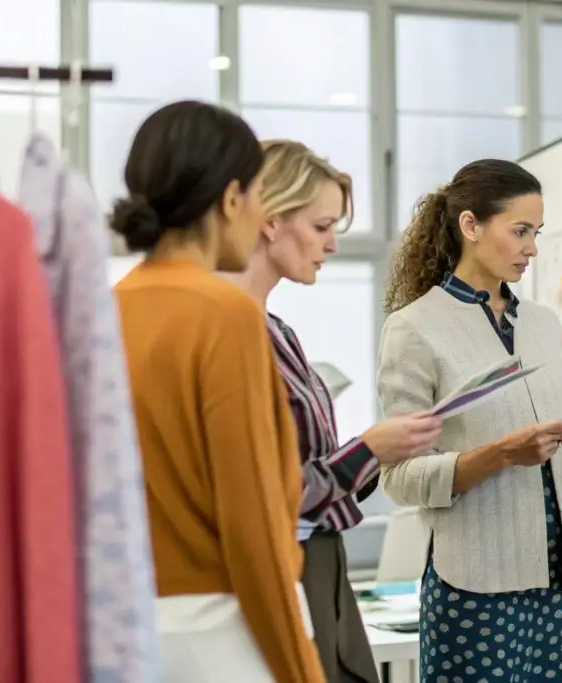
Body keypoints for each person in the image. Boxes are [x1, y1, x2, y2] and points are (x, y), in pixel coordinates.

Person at [377, 158, 562, 682]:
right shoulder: (414, 329)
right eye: (520, 231)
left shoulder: (540, 324)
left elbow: (545, 453)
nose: (532, 248)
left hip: (556, 579)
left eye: (536, 232)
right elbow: (399, 478)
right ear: (470, 226)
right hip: (475, 584)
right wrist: (498, 454)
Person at [110, 102, 325, 683]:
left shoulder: (101, 312)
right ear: (231, 198)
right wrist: (302, 669)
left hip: (123, 630)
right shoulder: (225, 314)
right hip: (220, 633)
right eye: (258, 194)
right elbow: (253, 521)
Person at [221, 139, 443, 682]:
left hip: (322, 560)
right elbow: (268, 489)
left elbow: (308, 470)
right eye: (322, 227)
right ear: (270, 220)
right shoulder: (223, 333)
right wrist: (371, 449)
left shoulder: (279, 333)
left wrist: (375, 452)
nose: (332, 245)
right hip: (276, 568)